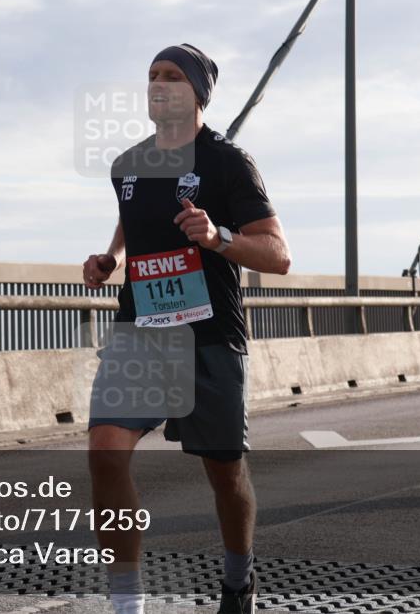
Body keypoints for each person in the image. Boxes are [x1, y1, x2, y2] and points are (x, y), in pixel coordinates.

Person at [82, 44, 292, 614]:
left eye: (173, 76)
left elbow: (277, 255)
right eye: (151, 75)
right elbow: (133, 216)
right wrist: (109, 259)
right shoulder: (127, 164)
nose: (159, 84)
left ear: (198, 93)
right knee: (105, 450)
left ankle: (237, 578)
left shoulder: (228, 163)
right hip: (141, 332)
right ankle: (127, 603)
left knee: (225, 474)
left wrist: (218, 237)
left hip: (210, 335)